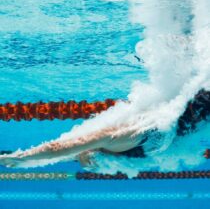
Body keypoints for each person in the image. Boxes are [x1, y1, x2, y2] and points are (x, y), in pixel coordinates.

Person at [0, 89, 209, 169]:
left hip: (195, 110)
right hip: (194, 113)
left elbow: (60, 148)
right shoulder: (122, 149)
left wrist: (22, 158)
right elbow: (63, 151)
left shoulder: (117, 139)